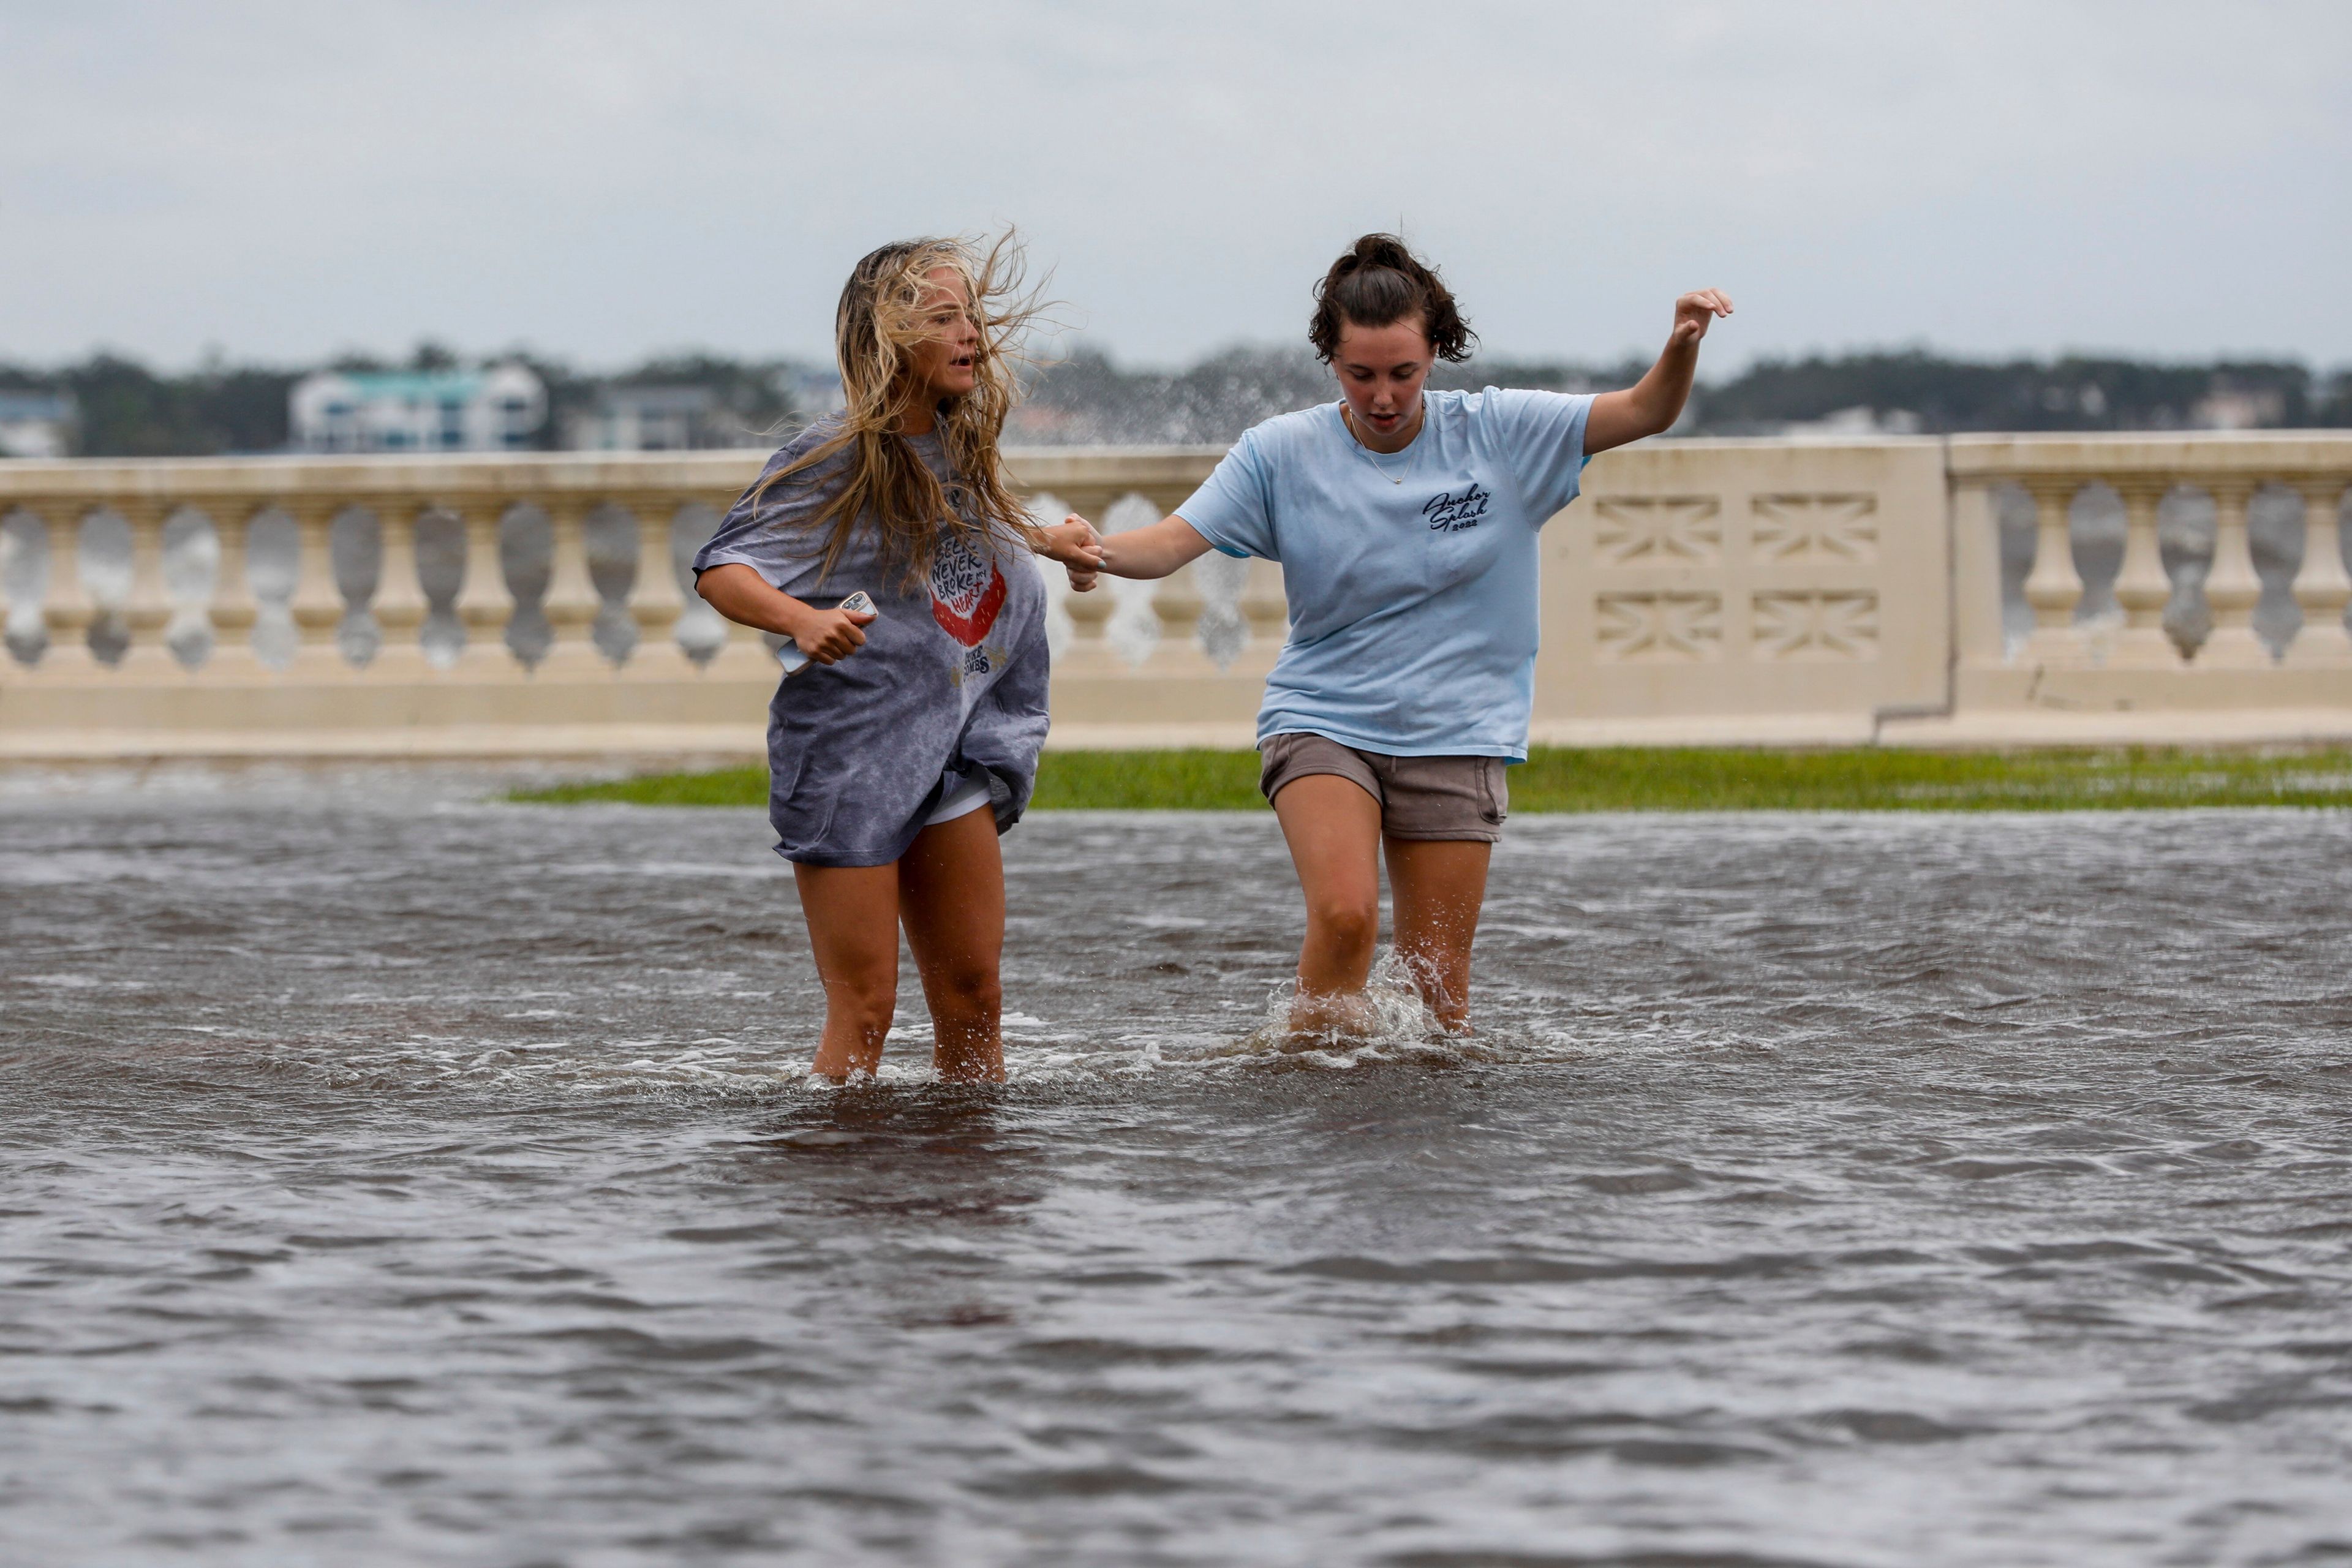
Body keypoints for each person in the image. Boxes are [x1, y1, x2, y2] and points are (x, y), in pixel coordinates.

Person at [1061, 233, 1730, 1038]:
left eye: (1403, 374)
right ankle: (1304, 1100)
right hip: (1324, 718)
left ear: (1437, 353)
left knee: (1439, 996)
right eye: (1361, 374)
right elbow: (1169, 544)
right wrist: (1091, 548)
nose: (1384, 396)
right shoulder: (1282, 452)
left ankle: (1412, 1151)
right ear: (1331, 361)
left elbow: (1647, 410)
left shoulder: (1502, 433)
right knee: (1345, 920)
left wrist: (1680, 345)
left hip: (1458, 728)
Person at [694, 235, 1100, 1082]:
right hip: (851, 759)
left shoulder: (958, 446)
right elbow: (723, 569)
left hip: (950, 752)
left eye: (973, 318)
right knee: (868, 1011)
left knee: (975, 999)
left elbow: (966, 527)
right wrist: (799, 621)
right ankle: (841, 1191)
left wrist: (1047, 539)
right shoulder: (834, 455)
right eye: (944, 319)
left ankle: (968, 1193)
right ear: (889, 338)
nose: (971, 337)